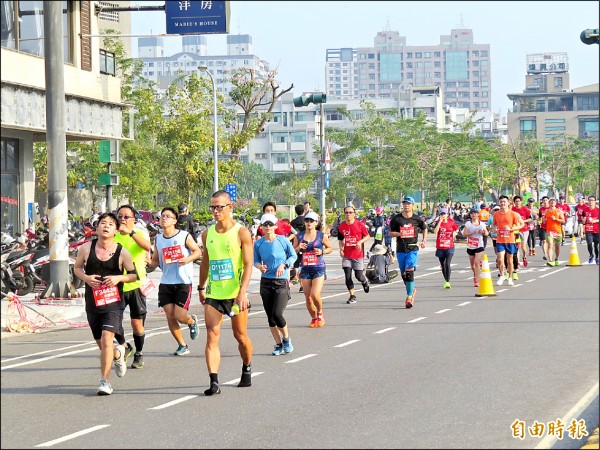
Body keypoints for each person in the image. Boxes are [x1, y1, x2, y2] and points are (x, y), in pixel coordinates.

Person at [73, 212, 138, 396]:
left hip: (113, 303)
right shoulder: (86, 248)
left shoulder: (122, 252)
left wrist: (119, 278)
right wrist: (86, 278)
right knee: (102, 344)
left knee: (107, 338)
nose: (106, 226)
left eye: (110, 223)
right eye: (103, 222)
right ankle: (118, 355)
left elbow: (134, 275)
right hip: (93, 302)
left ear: (116, 230)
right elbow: (77, 268)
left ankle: (105, 381)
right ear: (97, 227)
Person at [198, 191, 254, 396]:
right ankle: (214, 382)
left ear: (230, 207)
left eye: (219, 207)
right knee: (212, 336)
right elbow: (205, 262)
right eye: (212, 207)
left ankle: (247, 366)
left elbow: (248, 264)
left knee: (240, 336)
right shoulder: (207, 234)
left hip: (236, 293)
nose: (215, 211)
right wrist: (201, 287)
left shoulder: (241, 232)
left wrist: (243, 292)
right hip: (215, 293)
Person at [149, 206, 202, 356]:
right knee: (170, 315)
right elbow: (154, 262)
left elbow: (197, 252)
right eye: (162, 216)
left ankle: (191, 321)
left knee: (179, 315)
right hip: (166, 282)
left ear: (175, 220)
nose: (164, 218)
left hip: (183, 282)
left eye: (167, 216)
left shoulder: (183, 235)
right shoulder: (158, 239)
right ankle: (182, 345)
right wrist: (146, 264)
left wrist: (187, 259)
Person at [113, 204, 152, 369]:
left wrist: (132, 234)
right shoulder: (113, 235)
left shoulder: (140, 233)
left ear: (133, 219)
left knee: (137, 324)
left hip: (136, 285)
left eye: (126, 217)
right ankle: (125, 345)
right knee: (113, 322)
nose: (122, 219)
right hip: (117, 285)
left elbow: (148, 248)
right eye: (120, 216)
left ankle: (139, 353)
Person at [253, 213, 297, 355]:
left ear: (275, 226)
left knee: (277, 314)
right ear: (261, 227)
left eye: (270, 224)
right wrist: (260, 266)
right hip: (266, 282)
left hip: (281, 281)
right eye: (265, 224)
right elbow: (256, 260)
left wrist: (284, 265)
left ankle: (286, 339)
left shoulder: (282, 240)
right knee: (270, 317)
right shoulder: (258, 244)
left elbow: (293, 255)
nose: (268, 227)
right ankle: (278, 344)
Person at [292, 211, 333, 326]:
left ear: (316, 223)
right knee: (308, 297)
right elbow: (291, 252)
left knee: (315, 295)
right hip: (305, 269)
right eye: (307, 220)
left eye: (311, 221)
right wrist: (299, 247)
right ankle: (314, 318)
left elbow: (330, 248)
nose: (309, 223)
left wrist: (322, 251)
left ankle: (320, 313)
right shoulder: (299, 236)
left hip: (318, 268)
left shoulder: (321, 235)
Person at [389, 196, 427, 308]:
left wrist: (423, 240)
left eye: (408, 204)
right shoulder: (396, 219)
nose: (406, 205)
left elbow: (424, 228)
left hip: (412, 248)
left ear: (412, 205)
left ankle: (409, 297)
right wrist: (399, 234)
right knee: (404, 275)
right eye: (405, 203)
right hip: (401, 249)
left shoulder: (417, 218)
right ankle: (412, 289)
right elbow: (391, 233)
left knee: (409, 272)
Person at [337, 205, 371, 304]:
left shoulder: (360, 225)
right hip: (347, 255)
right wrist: (341, 249)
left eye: (350, 212)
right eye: (346, 213)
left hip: (358, 255)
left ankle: (364, 281)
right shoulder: (341, 227)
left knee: (358, 276)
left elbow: (367, 236)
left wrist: (360, 242)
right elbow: (340, 240)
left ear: (354, 214)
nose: (348, 214)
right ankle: (352, 295)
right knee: (347, 276)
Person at [492, 195, 524, 286]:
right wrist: (494, 229)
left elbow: (521, 224)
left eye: (504, 202)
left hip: (510, 240)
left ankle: (510, 277)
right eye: (501, 202)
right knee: (500, 259)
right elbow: (494, 225)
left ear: (508, 203)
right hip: (500, 240)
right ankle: (502, 275)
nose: (502, 203)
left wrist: (512, 229)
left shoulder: (513, 214)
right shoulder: (496, 214)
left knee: (510, 260)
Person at [433, 207, 459, 289]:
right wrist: (440, 222)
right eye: (441, 214)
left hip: (449, 246)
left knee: (447, 263)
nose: (443, 215)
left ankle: (447, 281)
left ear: (448, 214)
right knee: (442, 264)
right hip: (440, 246)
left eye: (444, 214)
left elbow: (457, 229)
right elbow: (435, 232)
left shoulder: (451, 222)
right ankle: (445, 279)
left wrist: (455, 233)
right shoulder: (438, 222)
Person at [463, 209, 489, 287]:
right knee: (472, 266)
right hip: (470, 246)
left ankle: (477, 280)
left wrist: (483, 232)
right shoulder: (468, 224)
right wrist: (472, 233)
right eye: (472, 214)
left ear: (478, 215)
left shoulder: (482, 224)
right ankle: (475, 274)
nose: (474, 215)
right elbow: (465, 234)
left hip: (479, 245)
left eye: (475, 213)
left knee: (477, 263)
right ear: (470, 215)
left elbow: (487, 233)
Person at [511, 195, 533, 270]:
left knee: (523, 247)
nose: (517, 203)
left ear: (521, 202)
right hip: (516, 231)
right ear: (514, 202)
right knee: (517, 247)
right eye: (516, 201)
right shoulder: (512, 209)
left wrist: (523, 221)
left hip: (524, 230)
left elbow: (530, 219)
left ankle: (524, 257)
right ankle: (517, 262)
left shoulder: (525, 209)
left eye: (518, 201)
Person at [544, 198, 565, 267]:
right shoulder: (546, 211)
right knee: (550, 245)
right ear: (549, 203)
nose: (552, 202)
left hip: (557, 231)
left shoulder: (559, 211)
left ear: (555, 203)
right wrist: (543, 220)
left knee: (557, 246)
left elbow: (563, 221)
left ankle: (556, 258)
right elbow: (544, 219)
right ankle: (550, 260)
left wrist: (556, 219)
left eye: (553, 201)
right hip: (549, 231)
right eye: (551, 201)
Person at [583, 195, 599, 264]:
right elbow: (583, 219)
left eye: (592, 200)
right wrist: (584, 220)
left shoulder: (598, 210)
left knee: (596, 245)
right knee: (589, 243)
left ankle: (597, 257)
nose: (590, 202)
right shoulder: (585, 210)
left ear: (595, 202)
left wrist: (595, 221)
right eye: (589, 200)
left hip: (597, 230)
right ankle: (591, 255)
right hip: (588, 230)